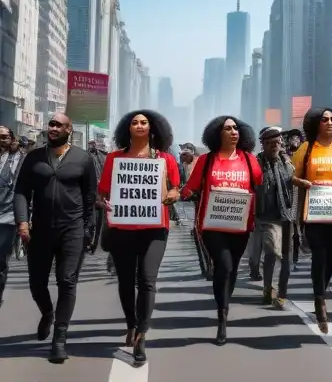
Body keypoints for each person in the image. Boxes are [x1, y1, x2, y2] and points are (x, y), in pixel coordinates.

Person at [96, 111, 180, 364]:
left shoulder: (165, 159)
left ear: (153, 128)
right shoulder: (114, 159)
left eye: (144, 122)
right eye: (135, 122)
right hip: (122, 229)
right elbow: (102, 193)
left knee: (147, 279)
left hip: (155, 229)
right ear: (127, 128)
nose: (140, 125)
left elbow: (176, 188)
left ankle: (141, 335)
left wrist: (174, 195)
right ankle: (130, 323)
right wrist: (103, 203)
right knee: (125, 280)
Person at [13, 113, 97, 362]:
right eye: (51, 124)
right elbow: (21, 192)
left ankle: (59, 338)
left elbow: (90, 196)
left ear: (69, 130)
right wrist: (23, 222)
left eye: (59, 125)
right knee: (37, 283)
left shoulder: (83, 159)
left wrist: (88, 230)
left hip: (71, 229)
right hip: (39, 229)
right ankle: (47, 313)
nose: (53, 128)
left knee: (66, 281)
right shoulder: (33, 158)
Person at [181, 116, 263, 345]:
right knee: (224, 266)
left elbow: (259, 182)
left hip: (241, 225)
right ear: (218, 134)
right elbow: (191, 187)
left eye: (236, 128)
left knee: (233, 269)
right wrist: (174, 195)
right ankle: (222, 317)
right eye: (228, 128)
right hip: (212, 226)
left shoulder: (249, 160)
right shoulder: (207, 160)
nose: (233, 132)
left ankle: (225, 306)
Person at [291, 107, 332, 333]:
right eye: (324, 119)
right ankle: (319, 299)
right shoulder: (306, 149)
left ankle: (322, 288)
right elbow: (291, 176)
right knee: (319, 254)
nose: (329, 123)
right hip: (314, 212)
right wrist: (305, 184)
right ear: (315, 123)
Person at [253, 126, 294, 310]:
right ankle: (271, 287)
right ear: (263, 144)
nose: (275, 145)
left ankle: (274, 290)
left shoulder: (287, 162)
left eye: (277, 141)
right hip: (266, 216)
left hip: (286, 214)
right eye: (270, 143)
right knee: (272, 250)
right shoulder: (256, 163)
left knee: (285, 257)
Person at [0, 125, 24, 307]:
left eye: (4, 137)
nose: (1, 141)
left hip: (7, 217)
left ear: (11, 139)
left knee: (0, 260)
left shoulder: (19, 159)